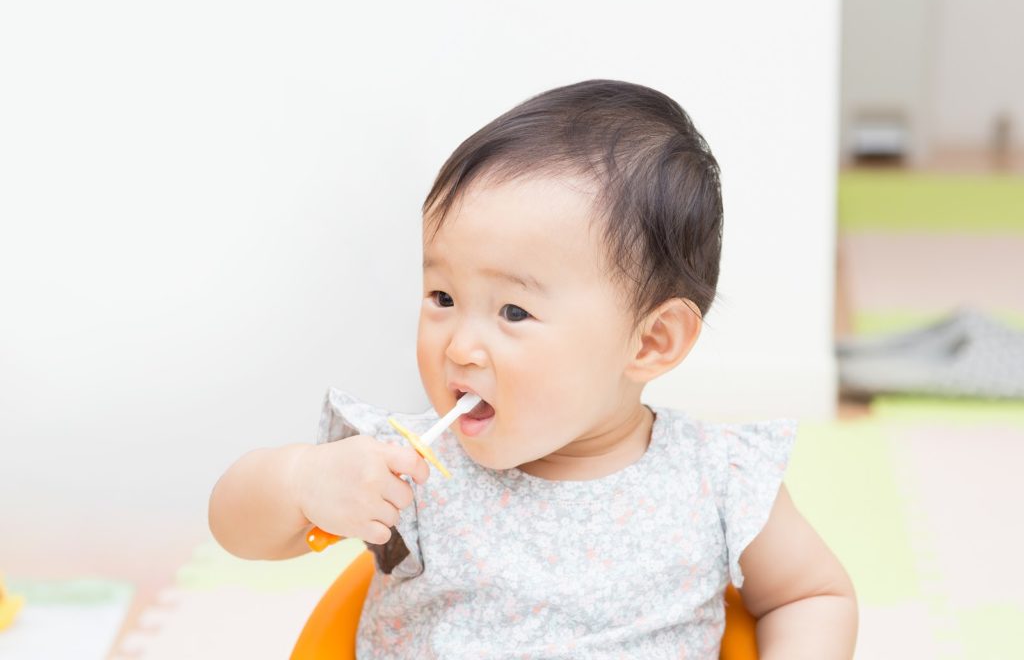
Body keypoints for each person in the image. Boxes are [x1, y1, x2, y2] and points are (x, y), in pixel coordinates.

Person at [209, 79, 857, 658]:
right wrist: (303, 480)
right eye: (443, 298)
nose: (460, 345)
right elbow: (235, 526)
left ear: (651, 340)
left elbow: (811, 597)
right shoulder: (405, 471)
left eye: (513, 311)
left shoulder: (718, 478)